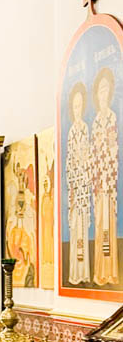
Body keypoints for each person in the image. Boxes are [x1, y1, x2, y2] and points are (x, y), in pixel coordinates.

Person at [91, 67, 118, 286]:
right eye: (100, 89)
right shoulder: (95, 122)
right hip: (98, 183)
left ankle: (110, 272)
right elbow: (92, 153)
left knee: (109, 225)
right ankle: (100, 271)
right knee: (100, 227)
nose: (103, 93)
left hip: (109, 181)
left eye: (106, 89)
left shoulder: (112, 117)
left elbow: (113, 147)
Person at [66, 81, 91, 284]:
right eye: (74, 106)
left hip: (84, 188)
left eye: (80, 106)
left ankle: (84, 272)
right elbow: (70, 161)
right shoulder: (72, 132)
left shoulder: (85, 129)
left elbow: (87, 157)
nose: (77, 110)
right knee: (75, 230)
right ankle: (75, 272)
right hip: (75, 189)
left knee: (83, 228)